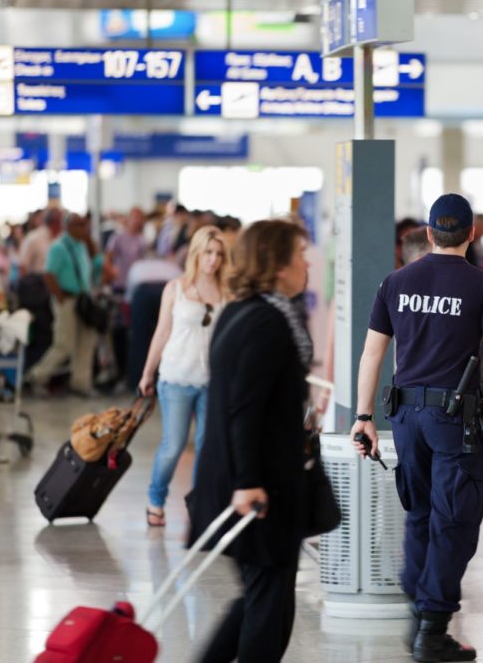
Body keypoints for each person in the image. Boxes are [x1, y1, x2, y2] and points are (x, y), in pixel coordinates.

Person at [351, 193, 483, 662]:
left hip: (406, 417)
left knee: (419, 515)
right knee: (455, 520)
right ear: (472, 234)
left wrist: (363, 417)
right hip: (456, 421)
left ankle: (421, 609)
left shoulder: (394, 282)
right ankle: (433, 627)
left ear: (430, 234)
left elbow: (372, 354)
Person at [187, 219, 312, 663]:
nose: (307, 262)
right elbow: (243, 407)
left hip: (263, 478)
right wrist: (246, 481)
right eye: (300, 254)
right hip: (256, 484)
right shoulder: (265, 320)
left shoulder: (247, 311)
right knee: (267, 602)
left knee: (265, 598)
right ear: (278, 265)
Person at [139, 226, 229, 527]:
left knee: (206, 449)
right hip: (175, 378)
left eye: (218, 254)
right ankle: (155, 498)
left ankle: (199, 505)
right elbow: (162, 331)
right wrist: (147, 372)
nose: (213, 260)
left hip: (212, 382)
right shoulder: (175, 288)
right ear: (196, 253)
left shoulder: (227, 293)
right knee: (173, 446)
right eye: (208, 252)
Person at [25, 214, 104, 397]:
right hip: (67, 300)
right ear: (68, 226)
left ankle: (81, 382)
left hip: (83, 300)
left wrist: (89, 241)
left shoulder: (82, 246)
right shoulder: (58, 247)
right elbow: (49, 274)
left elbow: (96, 262)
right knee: (64, 344)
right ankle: (37, 376)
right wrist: (60, 298)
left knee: (86, 341)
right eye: (79, 225)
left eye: (85, 225)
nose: (83, 228)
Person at [106, 207, 148, 294]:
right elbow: (108, 257)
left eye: (140, 218)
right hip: (120, 282)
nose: (137, 221)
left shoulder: (143, 239)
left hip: (137, 282)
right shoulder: (118, 237)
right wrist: (112, 271)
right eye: (135, 217)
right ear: (129, 218)